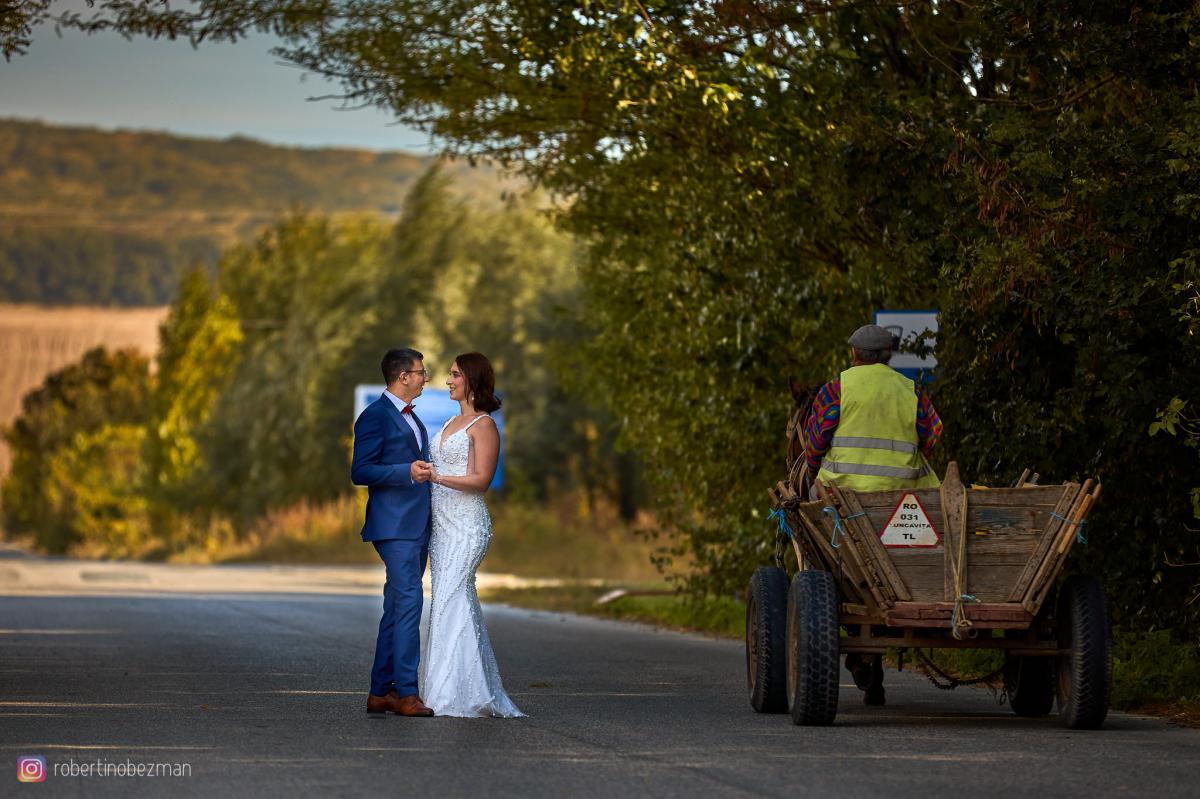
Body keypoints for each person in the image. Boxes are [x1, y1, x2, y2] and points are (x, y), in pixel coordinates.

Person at [802, 323, 945, 707]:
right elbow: (932, 435)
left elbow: (815, 442)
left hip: (842, 500)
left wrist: (813, 471)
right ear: (887, 356)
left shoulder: (837, 389)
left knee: (809, 519)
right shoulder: (911, 390)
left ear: (854, 354)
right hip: (904, 500)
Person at [421, 352, 525, 718]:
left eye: (455, 375)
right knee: (447, 601)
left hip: (467, 526)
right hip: (442, 527)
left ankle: (454, 695)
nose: (448, 381)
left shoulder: (484, 426)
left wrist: (436, 476)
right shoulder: (451, 421)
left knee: (452, 597)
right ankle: (459, 689)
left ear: (472, 380)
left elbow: (480, 481)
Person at [351, 347, 437, 718]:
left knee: (397, 607)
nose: (425, 378)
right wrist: (406, 472)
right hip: (394, 526)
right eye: (421, 372)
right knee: (410, 603)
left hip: (417, 524)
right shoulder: (375, 416)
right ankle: (406, 693)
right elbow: (360, 470)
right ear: (403, 376)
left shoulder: (412, 417)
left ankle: (380, 691)